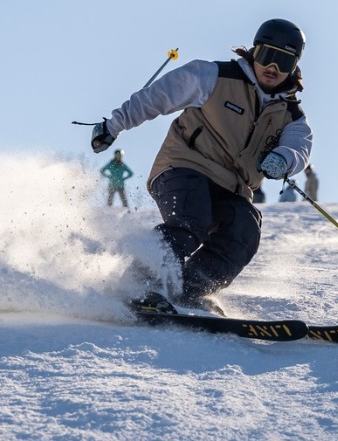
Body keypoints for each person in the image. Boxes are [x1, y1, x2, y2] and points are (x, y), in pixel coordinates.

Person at [89, 18, 313, 312]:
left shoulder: (292, 116)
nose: (273, 67)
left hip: (232, 187)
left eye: (284, 61)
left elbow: (300, 146)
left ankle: (190, 290)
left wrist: (284, 159)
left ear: (294, 66)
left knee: (244, 231)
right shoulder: (213, 76)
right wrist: (114, 124)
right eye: (267, 55)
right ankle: (137, 283)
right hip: (183, 167)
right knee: (191, 219)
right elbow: (158, 97)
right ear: (254, 52)